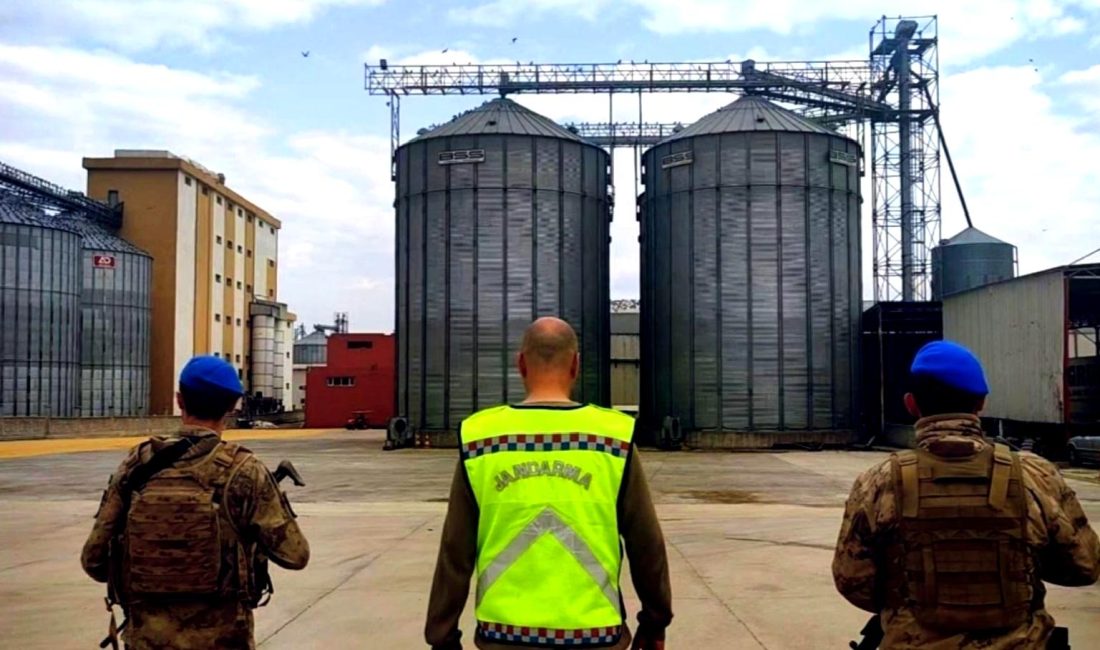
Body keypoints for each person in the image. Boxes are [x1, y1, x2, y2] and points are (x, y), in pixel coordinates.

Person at [425, 317, 673, 650]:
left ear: (520, 364)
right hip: (594, 635)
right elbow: (647, 545)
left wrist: (441, 635)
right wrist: (655, 621)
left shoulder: (481, 437)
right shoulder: (613, 437)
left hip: (504, 636)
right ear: (575, 365)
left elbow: (455, 550)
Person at [833, 341, 1100, 649]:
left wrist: (912, 596)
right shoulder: (1036, 476)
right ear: (982, 402)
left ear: (911, 404)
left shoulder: (878, 482)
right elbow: (1085, 566)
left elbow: (853, 580)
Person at [81, 356, 310, 650]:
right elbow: (295, 555)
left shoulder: (136, 465)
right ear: (232, 406)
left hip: (147, 641)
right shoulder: (245, 471)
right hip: (224, 641)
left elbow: (94, 561)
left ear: (180, 400)